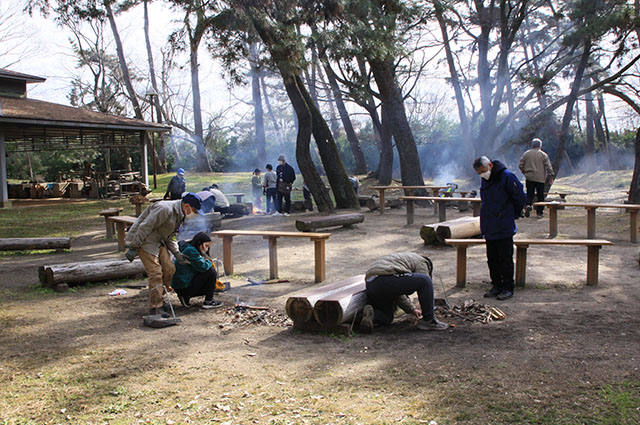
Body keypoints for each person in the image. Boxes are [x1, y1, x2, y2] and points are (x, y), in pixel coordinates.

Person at [124, 192, 203, 318]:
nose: (195, 214)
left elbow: (170, 237)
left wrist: (177, 254)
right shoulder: (164, 209)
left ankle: (159, 298)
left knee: (170, 268)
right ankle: (155, 307)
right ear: (187, 206)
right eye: (194, 211)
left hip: (158, 240)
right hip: (145, 240)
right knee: (156, 273)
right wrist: (134, 246)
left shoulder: (180, 214)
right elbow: (145, 227)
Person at [473, 156, 526, 301]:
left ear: (490, 165)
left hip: (504, 226)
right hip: (489, 226)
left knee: (505, 259)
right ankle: (496, 285)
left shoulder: (507, 176)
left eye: (483, 171)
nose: (482, 175)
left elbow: (520, 196)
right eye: (479, 173)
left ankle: (508, 287)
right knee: (492, 259)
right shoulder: (485, 179)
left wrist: (511, 214)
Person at [360, 252, 449, 333]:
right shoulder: (423, 262)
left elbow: (398, 292)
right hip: (384, 278)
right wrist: (428, 309)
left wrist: (411, 310)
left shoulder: (403, 260)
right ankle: (429, 321)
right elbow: (424, 281)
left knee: (387, 317)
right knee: (426, 280)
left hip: (371, 284)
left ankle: (368, 315)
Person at [171, 232, 223, 309]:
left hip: (180, 286)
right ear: (199, 243)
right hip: (184, 286)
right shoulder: (191, 251)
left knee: (209, 279)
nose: (207, 249)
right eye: (206, 246)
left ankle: (185, 297)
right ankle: (209, 301)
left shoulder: (187, 248)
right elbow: (203, 267)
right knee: (211, 272)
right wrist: (209, 262)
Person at [519, 138, 555, 218]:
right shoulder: (543, 155)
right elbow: (549, 167)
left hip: (529, 178)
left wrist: (525, 172)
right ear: (540, 146)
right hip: (540, 178)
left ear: (532, 145)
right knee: (540, 195)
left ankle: (528, 205)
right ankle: (539, 212)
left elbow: (520, 165)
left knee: (529, 194)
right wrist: (550, 177)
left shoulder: (526, 154)